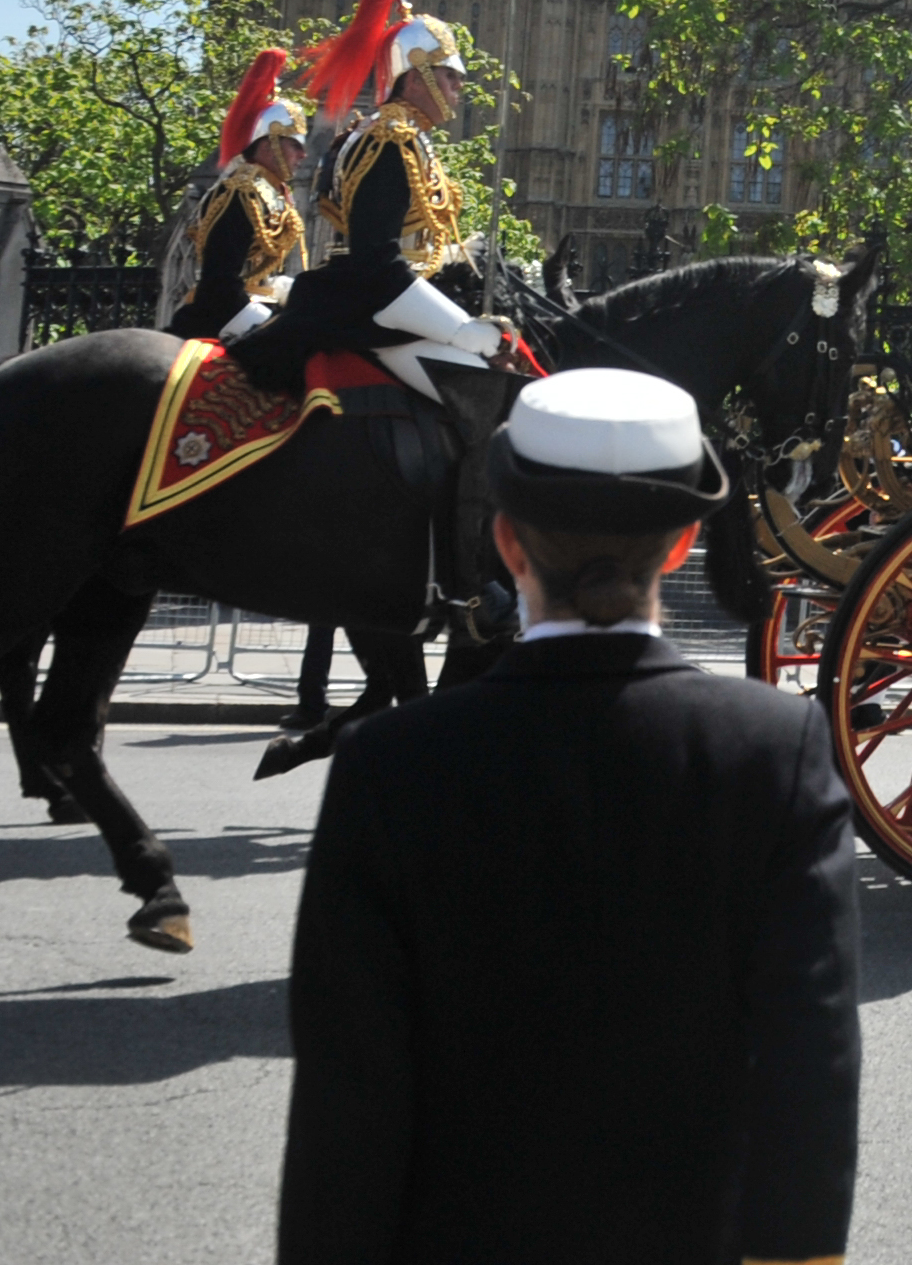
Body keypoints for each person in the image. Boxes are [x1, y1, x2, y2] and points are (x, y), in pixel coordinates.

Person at [280, 368, 857, 1265]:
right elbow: (807, 1068)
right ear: (679, 548)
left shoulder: (386, 765)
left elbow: (347, 1104)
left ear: (507, 542)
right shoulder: (776, 748)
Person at [232, 0, 501, 403]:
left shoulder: (386, 133)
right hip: (367, 312)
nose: (459, 90)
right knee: (481, 394)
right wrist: (462, 331)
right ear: (417, 79)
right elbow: (377, 262)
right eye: (451, 78)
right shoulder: (390, 140)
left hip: (376, 303)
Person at [175, 50, 312, 342]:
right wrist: (270, 325)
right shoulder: (242, 192)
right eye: (295, 145)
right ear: (268, 145)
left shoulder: (269, 192)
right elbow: (220, 283)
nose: (303, 154)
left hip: (252, 304)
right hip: (222, 316)